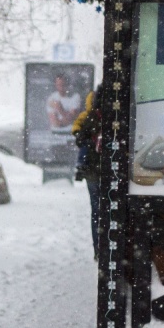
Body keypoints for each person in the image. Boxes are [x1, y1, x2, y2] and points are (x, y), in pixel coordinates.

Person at [71, 89, 103, 263]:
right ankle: (106, 247)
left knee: (97, 210)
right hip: (106, 171)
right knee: (106, 210)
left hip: (92, 171)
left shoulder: (88, 118)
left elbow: (78, 135)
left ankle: (98, 249)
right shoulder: (113, 119)